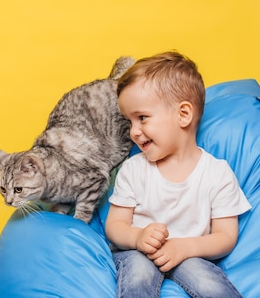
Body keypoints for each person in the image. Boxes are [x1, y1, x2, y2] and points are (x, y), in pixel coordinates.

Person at [105, 51, 251, 298]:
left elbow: (226, 236)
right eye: (129, 122)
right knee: (139, 272)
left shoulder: (217, 173)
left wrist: (186, 247)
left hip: (190, 253)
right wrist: (138, 237)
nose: (133, 132)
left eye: (142, 118)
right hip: (138, 253)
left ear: (183, 114)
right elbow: (115, 225)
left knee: (208, 283)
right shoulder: (133, 168)